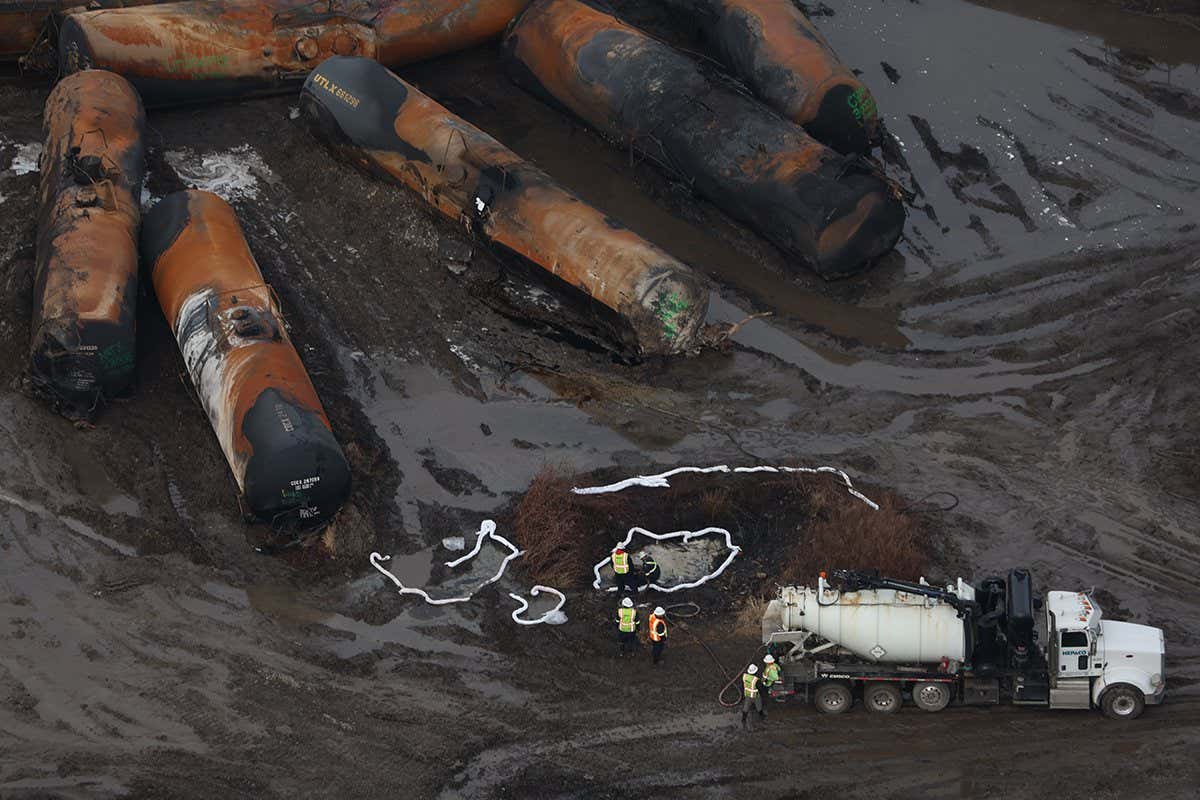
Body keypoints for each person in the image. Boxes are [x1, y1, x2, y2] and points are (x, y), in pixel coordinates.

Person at [741, 664, 765, 728]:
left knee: (746, 707)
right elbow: (760, 688)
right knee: (759, 706)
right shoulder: (755, 680)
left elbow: (743, 685)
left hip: (747, 695)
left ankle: (743, 719)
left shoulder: (744, 676)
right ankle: (762, 716)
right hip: (755, 696)